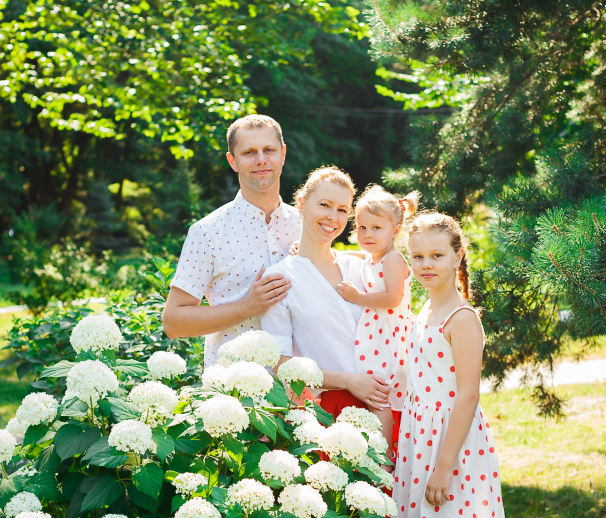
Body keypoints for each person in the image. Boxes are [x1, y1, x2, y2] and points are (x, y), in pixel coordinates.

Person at [390, 211, 510, 518]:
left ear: (458, 256)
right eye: (418, 256)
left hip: (449, 442)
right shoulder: (426, 307)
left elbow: (468, 396)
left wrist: (444, 467)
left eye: (437, 255)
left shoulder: (461, 318)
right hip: (420, 435)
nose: (426, 264)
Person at [162, 115, 300, 367]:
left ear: (282, 154)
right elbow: (173, 323)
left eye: (268, 150)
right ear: (232, 161)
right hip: (232, 394)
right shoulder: (207, 232)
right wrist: (247, 307)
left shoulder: (305, 225)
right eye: (249, 152)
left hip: (301, 392)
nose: (261, 159)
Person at [261, 167, 391, 416]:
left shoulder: (362, 268)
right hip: (328, 411)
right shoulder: (280, 278)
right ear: (301, 203)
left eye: (342, 210)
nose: (333, 217)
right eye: (324, 205)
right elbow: (281, 365)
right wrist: (350, 382)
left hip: (384, 402)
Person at [335, 185, 418, 457]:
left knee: (379, 395)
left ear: (395, 230)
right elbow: (358, 256)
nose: (367, 235)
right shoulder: (375, 256)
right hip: (378, 336)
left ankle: (385, 456)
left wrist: (357, 297)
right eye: (362, 228)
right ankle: (382, 450)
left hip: (391, 336)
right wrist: (327, 252)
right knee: (375, 393)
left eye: (376, 228)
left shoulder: (393, 259)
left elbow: (392, 299)